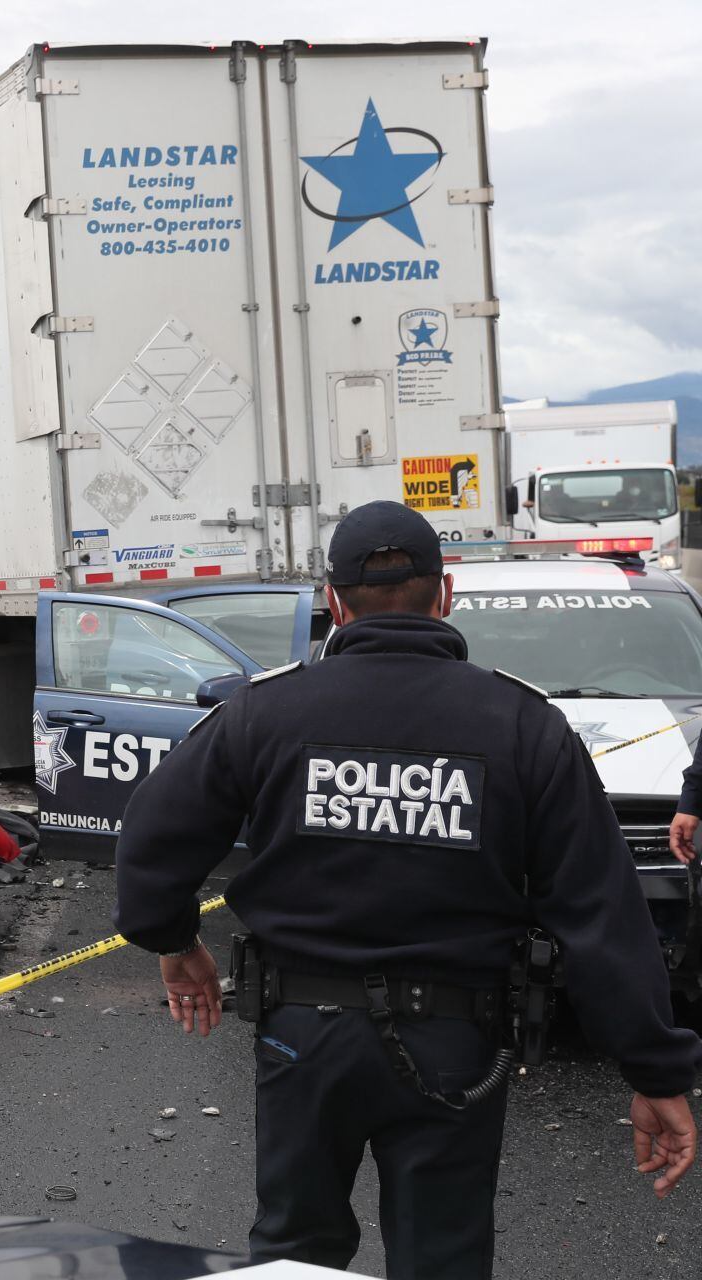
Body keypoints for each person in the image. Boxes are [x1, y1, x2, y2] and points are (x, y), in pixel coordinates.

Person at [113, 500, 699, 1277]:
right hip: (456, 1041)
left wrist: (174, 940)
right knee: (442, 1259)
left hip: (302, 1034)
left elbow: (152, 837)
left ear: (333, 602)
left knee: (295, 1255)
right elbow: (600, 913)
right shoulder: (523, 724)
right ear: (444, 594)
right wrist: (653, 1070)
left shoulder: (264, 710)